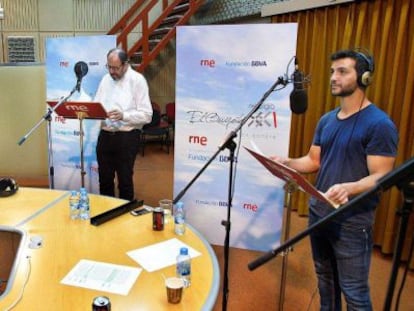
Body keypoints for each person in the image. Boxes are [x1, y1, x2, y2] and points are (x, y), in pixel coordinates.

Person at [273, 49, 398, 310]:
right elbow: (313, 161)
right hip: (320, 214)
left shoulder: (379, 124)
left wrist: (349, 187)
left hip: (352, 222)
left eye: (342, 71)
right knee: (326, 283)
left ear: (364, 78)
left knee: (354, 293)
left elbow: (382, 176)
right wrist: (288, 162)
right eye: (332, 72)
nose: (333, 77)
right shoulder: (327, 120)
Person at [95, 48, 153, 200]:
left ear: (126, 65)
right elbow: (97, 104)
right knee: (104, 179)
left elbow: (147, 115)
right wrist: (96, 111)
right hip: (105, 135)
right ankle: (105, 213)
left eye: (115, 68)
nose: (112, 72)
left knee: (124, 180)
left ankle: (125, 216)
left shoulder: (137, 80)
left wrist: (124, 116)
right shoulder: (105, 79)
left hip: (127, 137)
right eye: (109, 67)